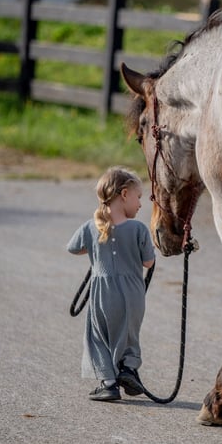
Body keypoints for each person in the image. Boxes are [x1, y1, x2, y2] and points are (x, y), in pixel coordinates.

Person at [67, 166, 156, 401]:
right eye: (138, 197)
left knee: (98, 336)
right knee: (128, 334)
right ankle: (128, 369)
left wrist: (95, 249)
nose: (140, 204)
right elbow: (148, 262)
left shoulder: (90, 226)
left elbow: (73, 247)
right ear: (124, 194)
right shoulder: (138, 228)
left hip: (101, 294)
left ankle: (108, 383)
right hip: (133, 294)